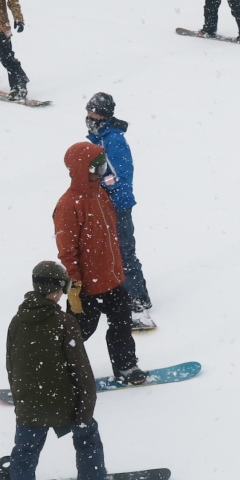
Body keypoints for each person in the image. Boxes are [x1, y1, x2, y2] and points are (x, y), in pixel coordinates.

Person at [0, 260, 106, 480]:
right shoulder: (64, 322)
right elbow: (82, 371)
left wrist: (22, 402)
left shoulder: (17, 321)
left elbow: (12, 366)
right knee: (87, 434)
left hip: (31, 405)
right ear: (56, 290)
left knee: (24, 457)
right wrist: (85, 408)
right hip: (65, 402)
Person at [54, 140, 144, 385]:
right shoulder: (68, 204)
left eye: (104, 165)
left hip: (112, 279)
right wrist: (75, 282)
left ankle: (126, 366)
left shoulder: (101, 194)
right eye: (98, 166)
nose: (103, 170)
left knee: (122, 325)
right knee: (79, 331)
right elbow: (66, 249)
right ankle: (56, 369)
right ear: (84, 168)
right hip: (86, 286)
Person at [85, 92, 154, 331]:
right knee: (106, 252)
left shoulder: (113, 140)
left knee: (124, 252)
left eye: (95, 114)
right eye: (88, 113)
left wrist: (99, 185)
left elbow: (120, 177)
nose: (90, 118)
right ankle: (116, 292)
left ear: (105, 116)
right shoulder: (96, 138)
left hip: (118, 206)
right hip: (102, 206)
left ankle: (138, 301)